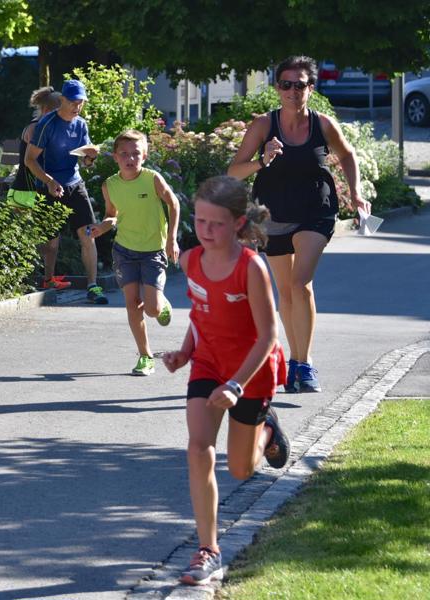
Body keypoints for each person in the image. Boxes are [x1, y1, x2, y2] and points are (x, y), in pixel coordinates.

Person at [162, 176, 291, 586]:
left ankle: (266, 430)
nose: (205, 231)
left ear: (237, 223)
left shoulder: (251, 267)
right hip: (208, 363)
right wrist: (184, 353)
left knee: (239, 469)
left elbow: (269, 334)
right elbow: (200, 313)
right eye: (200, 221)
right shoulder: (191, 261)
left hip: (250, 371)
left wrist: (237, 384)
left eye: (216, 223)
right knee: (198, 448)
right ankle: (208, 549)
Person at [228, 55, 370, 393]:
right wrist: (263, 160)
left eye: (301, 85)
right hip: (273, 215)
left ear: (311, 88)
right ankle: (293, 361)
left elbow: (347, 155)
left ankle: (304, 365)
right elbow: (234, 170)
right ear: (278, 88)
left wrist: (356, 192)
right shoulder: (264, 125)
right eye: (287, 85)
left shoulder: (322, 124)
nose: (293, 91)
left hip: (315, 211)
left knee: (301, 283)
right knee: (286, 291)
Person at [87, 130, 179, 375]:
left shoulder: (153, 179)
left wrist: (172, 238)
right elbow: (112, 215)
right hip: (124, 251)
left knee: (152, 310)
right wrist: (101, 227)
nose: (130, 158)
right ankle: (145, 357)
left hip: (153, 252)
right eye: (124, 154)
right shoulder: (110, 185)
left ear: (144, 155)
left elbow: (174, 203)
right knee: (132, 304)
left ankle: (161, 305)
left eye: (135, 153)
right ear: (116, 157)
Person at [23, 79, 107, 304]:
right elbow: (29, 160)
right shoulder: (47, 124)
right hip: (48, 186)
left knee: (88, 233)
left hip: (74, 184)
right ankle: (47, 280)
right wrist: (49, 181)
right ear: (62, 100)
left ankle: (93, 286)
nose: (77, 106)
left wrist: (91, 157)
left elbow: (86, 161)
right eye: (72, 101)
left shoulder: (81, 125)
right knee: (51, 242)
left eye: (81, 102)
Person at [10, 86, 68, 289]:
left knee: (45, 239)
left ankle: (44, 279)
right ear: (46, 111)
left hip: (28, 189)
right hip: (30, 190)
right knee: (42, 240)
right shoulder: (37, 128)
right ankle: (31, 280)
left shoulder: (41, 126)